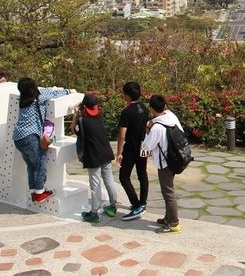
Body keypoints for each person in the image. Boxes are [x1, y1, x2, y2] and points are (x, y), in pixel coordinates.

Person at [13, 78, 71, 203]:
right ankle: (40, 193)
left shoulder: (22, 100)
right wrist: (68, 90)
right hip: (30, 137)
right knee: (40, 164)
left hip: (18, 138)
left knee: (30, 165)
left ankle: (33, 191)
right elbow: (55, 94)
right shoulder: (38, 99)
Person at [71, 94, 118, 223]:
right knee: (109, 180)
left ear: (84, 107)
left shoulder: (82, 121)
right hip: (106, 152)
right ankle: (113, 206)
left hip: (93, 155)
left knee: (95, 184)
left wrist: (75, 115)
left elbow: (73, 130)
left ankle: (94, 213)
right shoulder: (99, 116)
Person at [142, 94, 183, 234]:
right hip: (176, 159)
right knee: (168, 191)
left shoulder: (156, 128)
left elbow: (147, 146)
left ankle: (173, 223)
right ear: (164, 105)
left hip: (164, 164)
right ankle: (168, 217)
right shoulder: (171, 117)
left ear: (152, 108)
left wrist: (148, 129)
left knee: (168, 193)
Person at [116, 81, 149, 220]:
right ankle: (142, 203)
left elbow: (122, 135)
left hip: (131, 148)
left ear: (127, 95)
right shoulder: (144, 108)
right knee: (142, 173)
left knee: (124, 177)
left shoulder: (126, 112)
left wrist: (118, 153)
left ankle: (136, 206)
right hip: (144, 145)